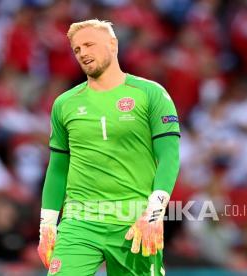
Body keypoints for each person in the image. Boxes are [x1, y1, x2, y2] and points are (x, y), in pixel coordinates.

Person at [37, 19, 180, 275]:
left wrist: (154, 211)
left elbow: (169, 155)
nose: (83, 53)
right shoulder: (64, 104)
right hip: (79, 220)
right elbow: (58, 168)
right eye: (77, 49)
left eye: (89, 44)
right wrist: (47, 225)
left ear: (113, 44)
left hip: (134, 219)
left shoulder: (150, 93)